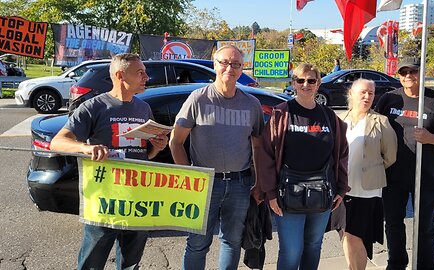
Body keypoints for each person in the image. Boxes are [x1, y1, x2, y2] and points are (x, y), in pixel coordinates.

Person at [50, 53, 168, 270]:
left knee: (131, 262)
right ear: (120, 75)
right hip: (104, 198)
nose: (147, 77)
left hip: (137, 198)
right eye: (140, 72)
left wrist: (156, 148)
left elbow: (141, 154)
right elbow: (57, 142)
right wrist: (85, 147)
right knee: (92, 262)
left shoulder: (143, 108)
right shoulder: (94, 106)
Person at [169, 45, 264, 270]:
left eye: (236, 64)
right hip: (204, 183)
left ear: (242, 69)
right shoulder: (198, 99)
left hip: (240, 183)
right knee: (197, 243)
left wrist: (259, 183)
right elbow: (176, 142)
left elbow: (258, 146)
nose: (229, 68)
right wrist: (188, 177)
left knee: (232, 241)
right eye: (224, 62)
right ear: (214, 64)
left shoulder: (252, 104)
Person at [254, 63, 350, 270]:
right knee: (291, 250)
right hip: (288, 194)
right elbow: (266, 154)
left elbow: (342, 153)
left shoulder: (329, 116)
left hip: (323, 193)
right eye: (301, 80)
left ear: (318, 84)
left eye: (311, 80)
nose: (306, 84)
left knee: (314, 246)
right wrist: (270, 193)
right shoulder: (281, 114)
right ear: (293, 84)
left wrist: (341, 188)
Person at [375, 58, 434, 270]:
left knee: (425, 227)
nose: (408, 76)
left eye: (413, 72)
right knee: (393, 224)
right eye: (403, 72)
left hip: (426, 176)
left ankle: (425, 266)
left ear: (421, 73)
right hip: (393, 176)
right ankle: (396, 264)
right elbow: (373, 128)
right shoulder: (389, 100)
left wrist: (430, 138)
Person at [339, 79, 397, 270]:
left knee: (356, 236)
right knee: (345, 235)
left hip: (366, 191)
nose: (367, 96)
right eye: (363, 92)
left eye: (371, 93)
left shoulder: (380, 121)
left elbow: (390, 156)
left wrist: (371, 169)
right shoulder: (340, 120)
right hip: (342, 189)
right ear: (352, 94)